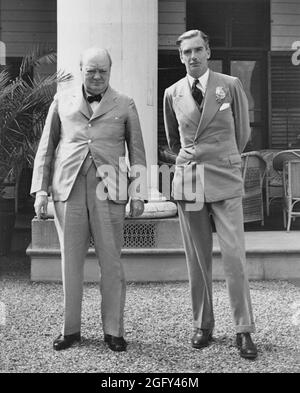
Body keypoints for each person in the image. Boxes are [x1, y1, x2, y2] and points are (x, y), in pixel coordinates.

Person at [31, 47, 147, 352]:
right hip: (67, 191)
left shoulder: (125, 104)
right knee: (70, 263)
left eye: (103, 71)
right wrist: (41, 190)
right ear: (81, 69)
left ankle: (114, 331)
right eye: (91, 70)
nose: (97, 76)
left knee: (112, 263)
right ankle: (70, 330)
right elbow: (46, 148)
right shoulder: (61, 100)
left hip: (109, 191)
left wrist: (138, 193)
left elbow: (137, 152)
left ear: (110, 71)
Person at [163, 30, 257, 359]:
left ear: (208, 51)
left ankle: (243, 329)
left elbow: (243, 133)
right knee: (197, 258)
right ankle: (203, 324)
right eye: (186, 52)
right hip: (189, 178)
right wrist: (193, 160)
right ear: (180, 57)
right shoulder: (172, 93)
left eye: (198, 49)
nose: (193, 56)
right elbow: (174, 141)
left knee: (234, 257)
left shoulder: (229, 84)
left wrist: (223, 157)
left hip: (225, 174)